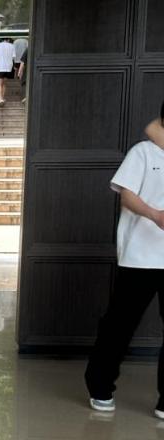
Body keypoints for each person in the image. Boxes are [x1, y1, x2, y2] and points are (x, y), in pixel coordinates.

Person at [84, 102, 164, 419]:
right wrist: (155, 215)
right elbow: (127, 195)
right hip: (140, 256)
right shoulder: (143, 152)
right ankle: (100, 387)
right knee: (119, 325)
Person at [0, 37, 15, 106]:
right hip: (8, 67)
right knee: (4, 83)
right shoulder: (12, 46)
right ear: (8, 39)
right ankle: (3, 98)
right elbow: (13, 57)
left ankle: (0, 99)